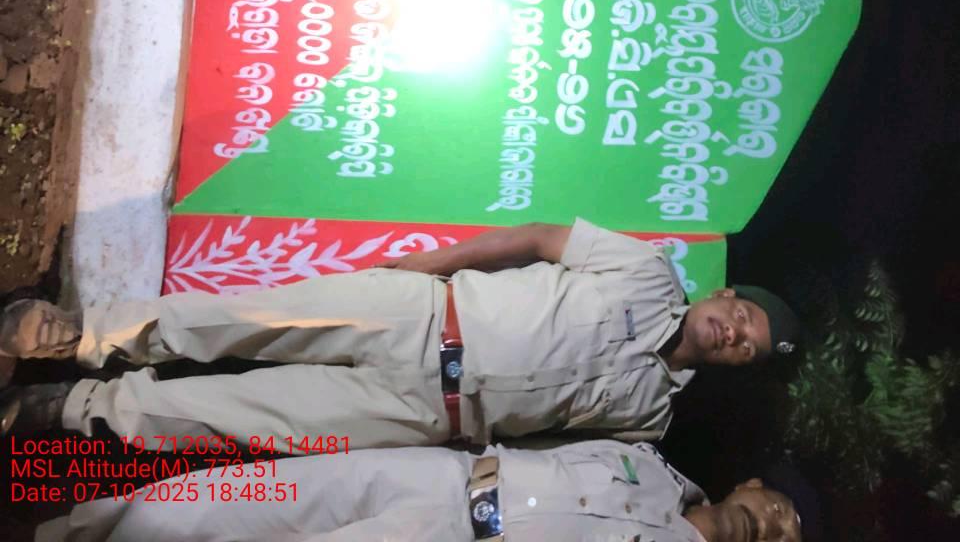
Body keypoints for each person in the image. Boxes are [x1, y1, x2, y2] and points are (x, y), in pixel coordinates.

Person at [0, 217, 800, 451]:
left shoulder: (651, 418)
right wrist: (427, 266)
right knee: (243, 316)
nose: (735, 334)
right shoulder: (649, 272)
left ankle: (66, 411)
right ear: (726, 295)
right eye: (744, 317)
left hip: (423, 416)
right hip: (422, 313)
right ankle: (77, 335)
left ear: (738, 364)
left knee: (234, 420)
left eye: (747, 346)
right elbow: (534, 239)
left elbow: (547, 446)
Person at [35, 439, 803, 542]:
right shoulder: (649, 461)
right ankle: (65, 528)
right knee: (238, 493)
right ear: (751, 485)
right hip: (441, 475)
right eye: (780, 511)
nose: (773, 529)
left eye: (784, 541)